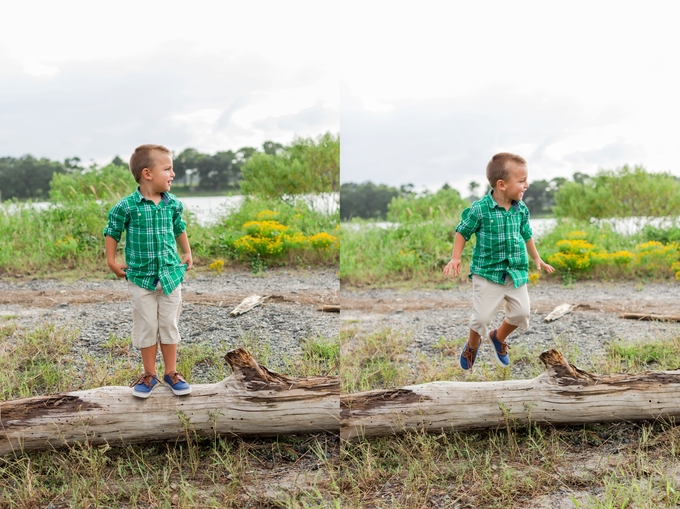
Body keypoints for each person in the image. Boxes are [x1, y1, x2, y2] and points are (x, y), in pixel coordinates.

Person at [442, 153, 554, 370]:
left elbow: (527, 233)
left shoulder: (521, 208)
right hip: (487, 273)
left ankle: (498, 337)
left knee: (522, 313)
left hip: (515, 272)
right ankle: (472, 346)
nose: (526, 185)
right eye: (521, 181)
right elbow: (462, 232)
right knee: (481, 318)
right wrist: (456, 258)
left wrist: (537, 258)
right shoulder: (480, 209)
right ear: (501, 184)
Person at [104, 144, 194, 397]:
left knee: (168, 324)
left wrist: (186, 251)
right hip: (140, 278)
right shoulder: (127, 206)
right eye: (167, 169)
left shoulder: (172, 203)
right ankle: (149, 374)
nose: (172, 174)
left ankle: (171, 372)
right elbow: (112, 231)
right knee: (146, 325)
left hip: (170, 275)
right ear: (147, 173)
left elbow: (179, 227)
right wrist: (112, 261)